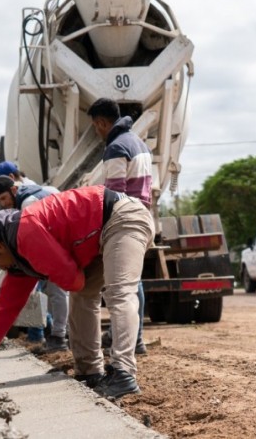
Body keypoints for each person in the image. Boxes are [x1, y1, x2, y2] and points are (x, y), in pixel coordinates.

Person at [0, 185, 153, 399]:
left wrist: (50, 271)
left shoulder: (25, 233)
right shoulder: (16, 253)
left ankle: (124, 374)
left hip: (122, 217)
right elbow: (7, 306)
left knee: (119, 293)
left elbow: (72, 279)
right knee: (83, 296)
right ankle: (90, 371)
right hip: (97, 232)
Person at [88, 97, 152, 354]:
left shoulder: (115, 147)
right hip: (144, 215)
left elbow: (114, 193)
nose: (96, 131)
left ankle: (133, 341)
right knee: (134, 281)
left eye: (95, 125)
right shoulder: (138, 142)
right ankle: (135, 339)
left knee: (124, 285)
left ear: (102, 122)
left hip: (125, 219)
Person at [0, 175, 68, 353]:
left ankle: (59, 338)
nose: (3, 203)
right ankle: (60, 334)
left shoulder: (28, 203)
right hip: (62, 244)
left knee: (57, 293)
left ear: (14, 190)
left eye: (4, 198)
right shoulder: (43, 190)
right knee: (58, 294)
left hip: (60, 247)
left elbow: (35, 238)